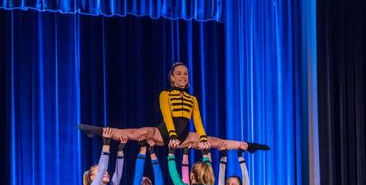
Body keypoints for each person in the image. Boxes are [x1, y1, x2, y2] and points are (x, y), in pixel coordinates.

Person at [78, 62, 269, 152]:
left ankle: (246, 145)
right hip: (164, 132)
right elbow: (167, 116)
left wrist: (202, 138)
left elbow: (197, 120)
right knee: (139, 132)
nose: (183, 76)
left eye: (185, 74)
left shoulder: (192, 99)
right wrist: (172, 136)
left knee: (214, 140)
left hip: (184, 135)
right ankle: (99, 131)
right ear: (172, 77)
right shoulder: (165, 94)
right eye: (179, 74)